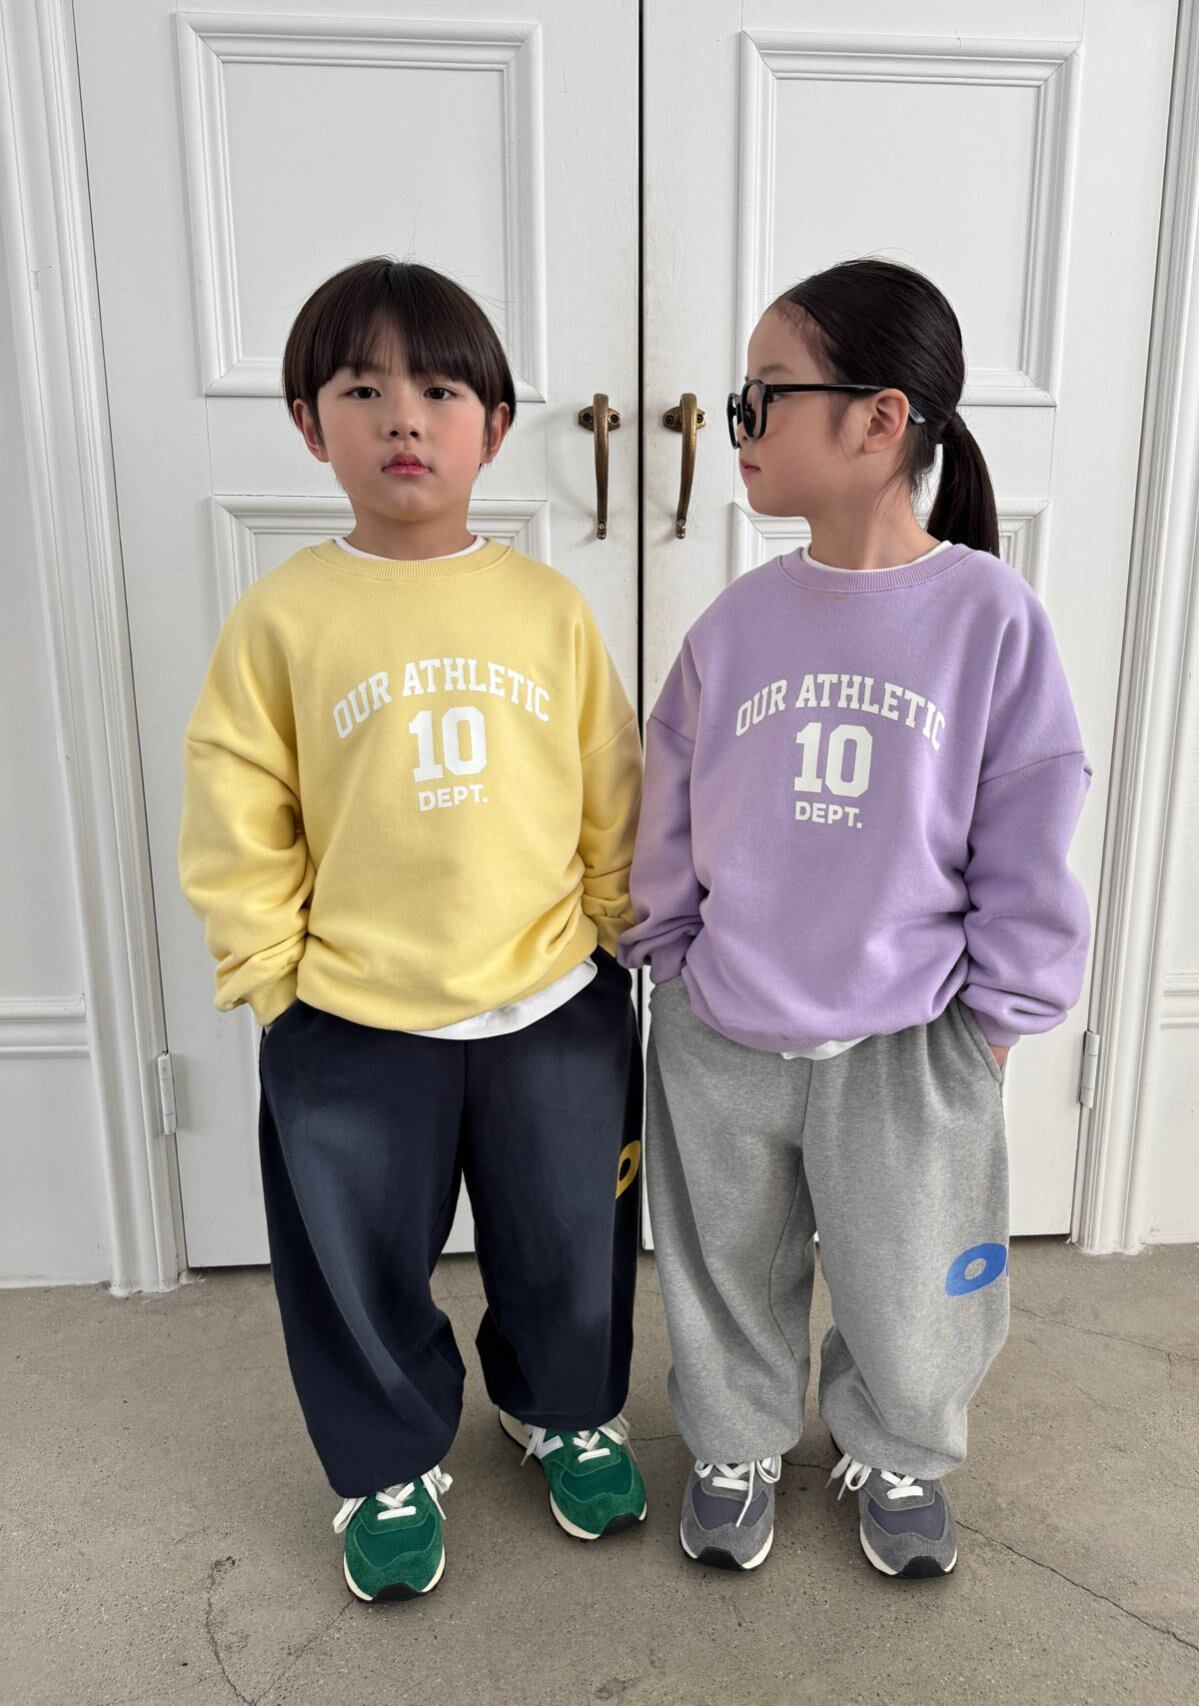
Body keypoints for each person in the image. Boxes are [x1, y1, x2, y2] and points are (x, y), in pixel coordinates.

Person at [179, 257, 648, 1603]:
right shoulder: (282, 617)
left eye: (440, 391)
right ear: (307, 422)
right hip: (352, 1014)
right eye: (362, 389)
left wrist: (619, 930)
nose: (402, 418)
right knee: (354, 1262)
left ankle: (563, 1408)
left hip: (551, 1000)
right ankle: (385, 1463)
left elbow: (610, 779)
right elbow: (238, 800)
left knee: (569, 1240)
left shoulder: (547, 607)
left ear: (492, 427)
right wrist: (273, 977)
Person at [616, 257, 1093, 1579]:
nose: (739, 424)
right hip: (726, 1027)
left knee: (917, 1277)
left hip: (908, 1040)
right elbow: (670, 804)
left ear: (880, 421)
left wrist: (997, 1022)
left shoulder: (989, 621)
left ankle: (901, 1443)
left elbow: (1030, 826)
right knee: (723, 1264)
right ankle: (735, 1439)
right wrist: (667, 959)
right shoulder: (734, 627)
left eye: (763, 395)